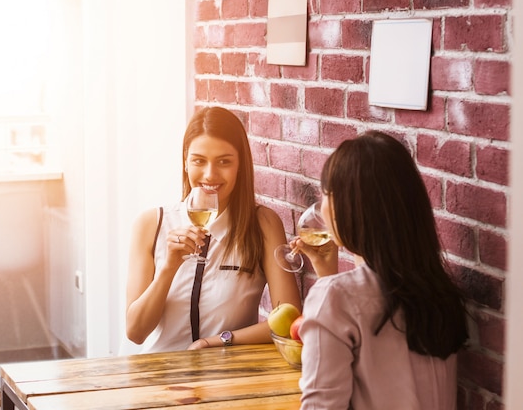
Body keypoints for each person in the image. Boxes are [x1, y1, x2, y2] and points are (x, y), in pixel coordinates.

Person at [293, 131, 469, 409]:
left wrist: (329, 289)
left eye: (325, 194)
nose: (321, 207)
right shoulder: (438, 290)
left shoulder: (335, 297)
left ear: (346, 207)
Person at [125, 106, 302, 352]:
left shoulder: (263, 224)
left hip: (227, 377)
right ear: (185, 162)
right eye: (199, 160)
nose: (210, 174)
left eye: (224, 162)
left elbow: (289, 322)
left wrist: (218, 341)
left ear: (240, 164)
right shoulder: (150, 224)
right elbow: (135, 332)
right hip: (159, 377)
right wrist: (168, 268)